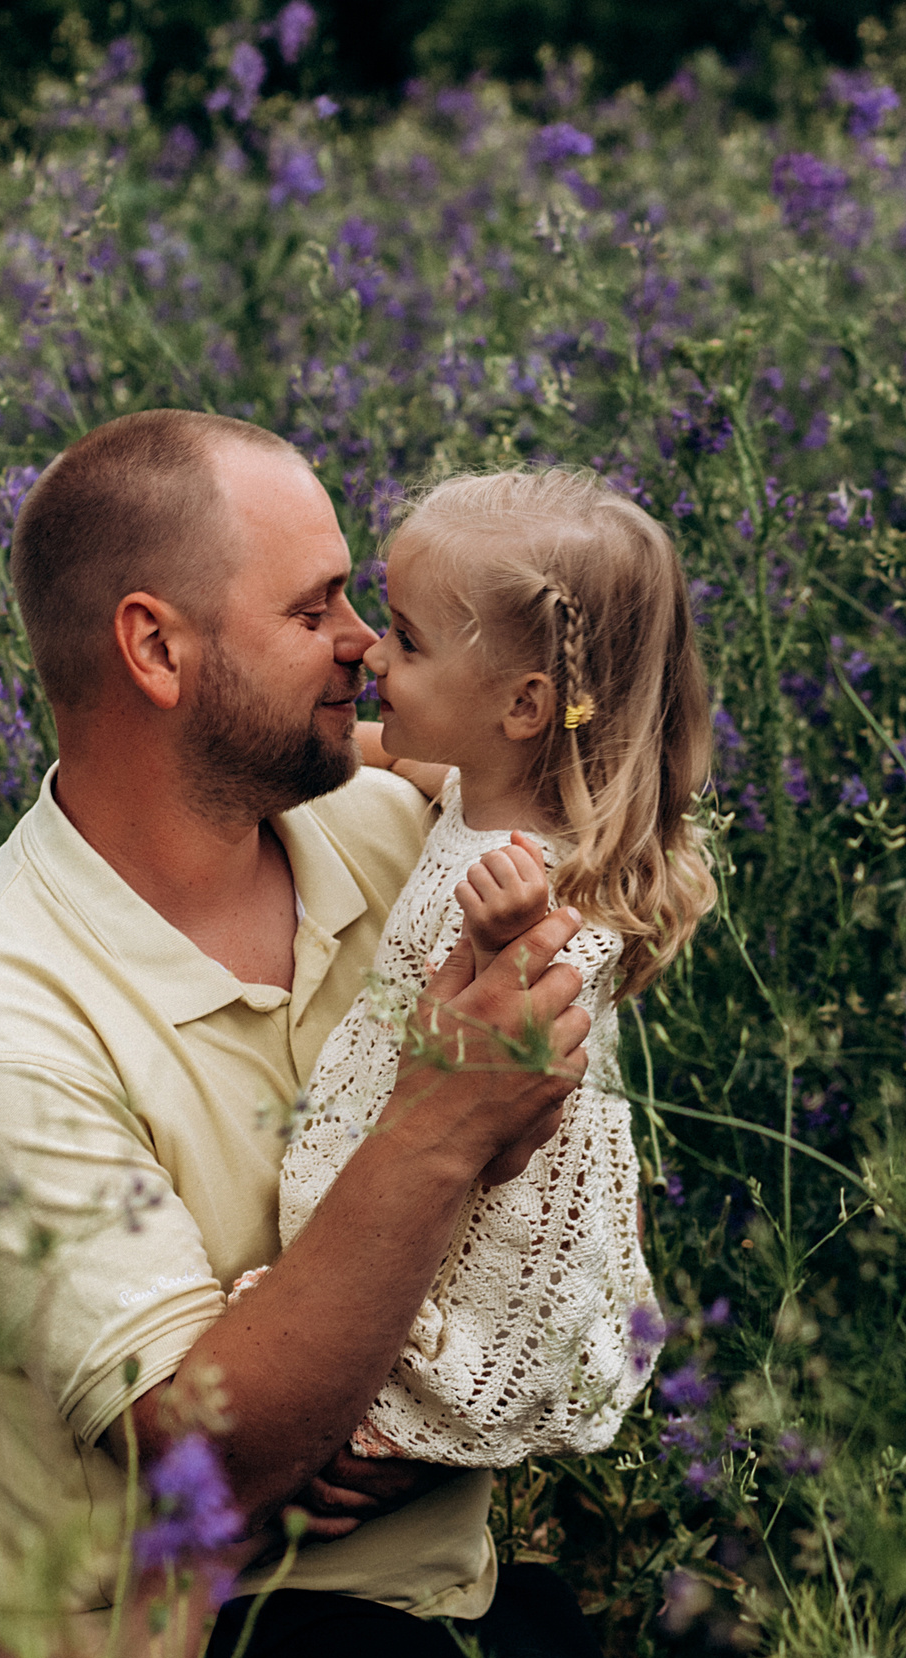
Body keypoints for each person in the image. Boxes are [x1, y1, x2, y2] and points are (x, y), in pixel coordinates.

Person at [0, 411, 652, 1658]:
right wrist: (443, 1119)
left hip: (447, 1600)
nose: (363, 643)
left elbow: (560, 1162)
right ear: (155, 648)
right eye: (313, 607)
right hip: (191, 1656)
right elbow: (211, 1461)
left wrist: (422, 1425)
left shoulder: (387, 830)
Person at [251, 468, 715, 1473]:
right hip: (421, 1108)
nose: (372, 652)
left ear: (523, 704)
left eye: (407, 639)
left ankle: (400, 1427)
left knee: (432, 1314)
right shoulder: (482, 782)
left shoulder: (544, 881)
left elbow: (516, 1101)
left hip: (486, 1166)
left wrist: (511, 935)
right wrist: (310, 749)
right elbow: (406, 762)